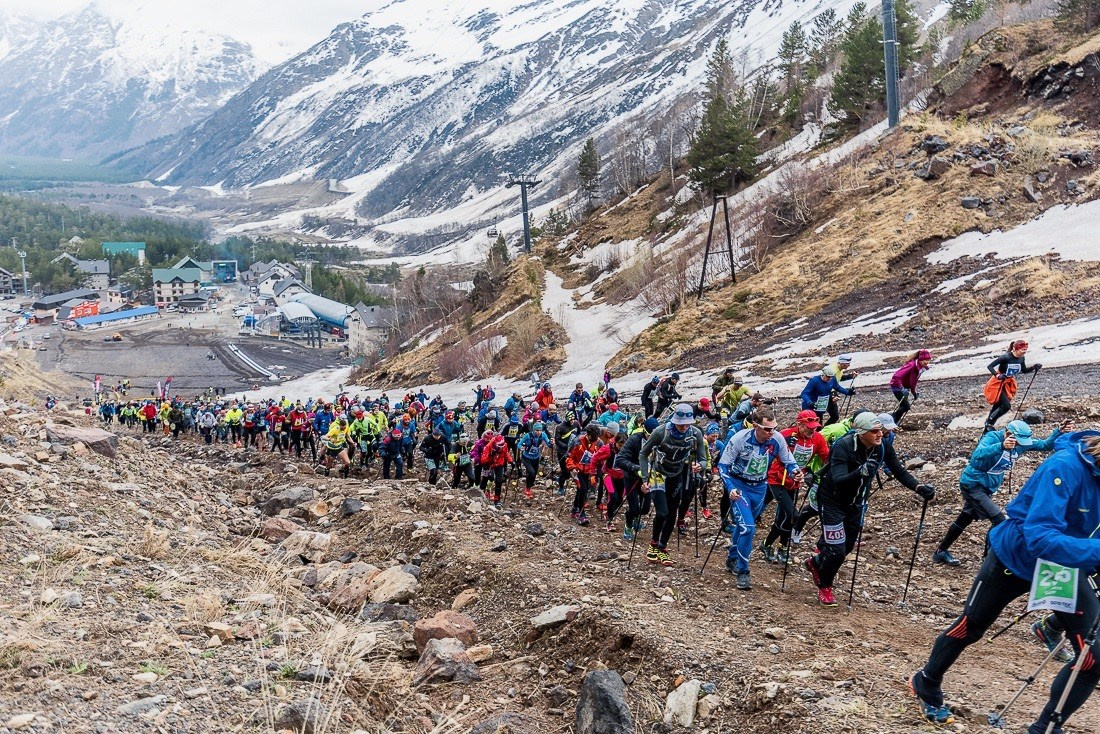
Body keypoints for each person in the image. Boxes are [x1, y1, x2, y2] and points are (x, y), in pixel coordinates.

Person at [910, 431, 1100, 731]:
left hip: (1065, 565)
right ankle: (926, 681)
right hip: (1018, 557)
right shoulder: (1064, 467)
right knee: (970, 627)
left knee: (1093, 657)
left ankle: (1046, 727)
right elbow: (1040, 537)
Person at [804, 412, 934, 607]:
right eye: (874, 431)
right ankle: (825, 585)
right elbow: (838, 479)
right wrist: (861, 471)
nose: (879, 434)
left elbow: (898, 470)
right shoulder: (844, 446)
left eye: (880, 430)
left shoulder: (881, 447)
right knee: (837, 550)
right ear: (861, 432)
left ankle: (816, 562)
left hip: (856, 504)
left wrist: (918, 487)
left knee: (846, 547)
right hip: (832, 502)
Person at [932, 418, 1072, 566]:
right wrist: (1001, 446)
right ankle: (989, 562)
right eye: (1017, 441)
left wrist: (1058, 431)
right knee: (998, 520)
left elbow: (1045, 445)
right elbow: (977, 455)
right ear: (1008, 434)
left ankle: (940, 551)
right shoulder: (992, 438)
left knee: (965, 518)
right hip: (972, 485)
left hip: (986, 488)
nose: (1018, 445)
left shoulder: (1020, 444)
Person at [718, 408, 802, 590]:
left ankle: (732, 558)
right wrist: (730, 488)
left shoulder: (777, 439)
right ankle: (743, 571)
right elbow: (722, 466)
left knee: (743, 527)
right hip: (740, 487)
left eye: (774, 428)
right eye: (767, 429)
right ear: (756, 426)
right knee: (748, 528)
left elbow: (789, 460)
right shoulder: (739, 439)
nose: (771, 433)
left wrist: (796, 472)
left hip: (760, 487)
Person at [639, 404, 706, 567]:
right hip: (658, 473)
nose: (683, 427)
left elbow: (703, 459)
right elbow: (643, 454)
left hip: (677, 474)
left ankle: (662, 548)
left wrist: (700, 467)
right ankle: (653, 544)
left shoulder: (695, 434)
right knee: (662, 512)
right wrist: (645, 478)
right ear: (674, 420)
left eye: (687, 423)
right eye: (680, 423)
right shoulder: (661, 432)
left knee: (672, 513)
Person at [760, 410, 829, 563]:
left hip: (795, 481)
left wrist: (817, 474)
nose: (813, 430)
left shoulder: (818, 438)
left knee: (785, 516)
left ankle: (779, 547)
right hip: (777, 480)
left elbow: (826, 458)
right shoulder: (786, 434)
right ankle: (768, 543)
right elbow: (766, 449)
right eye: (809, 427)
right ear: (799, 424)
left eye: (815, 427)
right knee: (793, 515)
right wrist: (784, 445)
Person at [983, 340, 1042, 433]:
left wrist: (1034, 367)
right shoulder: (1005, 357)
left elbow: (1024, 370)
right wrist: (997, 375)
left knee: (997, 406)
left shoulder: (1021, 358)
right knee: (1006, 406)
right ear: (1016, 349)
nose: (1024, 351)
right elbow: (990, 366)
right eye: (1022, 350)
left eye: (1025, 350)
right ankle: (989, 423)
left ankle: (986, 431)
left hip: (1008, 383)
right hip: (998, 383)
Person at [567, 424, 602, 525]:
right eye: (592, 438)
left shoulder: (599, 443)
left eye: (595, 438)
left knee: (581, 490)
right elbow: (569, 456)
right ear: (587, 434)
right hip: (577, 470)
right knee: (583, 489)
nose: (593, 440)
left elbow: (599, 457)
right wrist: (572, 468)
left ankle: (575, 509)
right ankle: (582, 514)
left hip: (588, 470)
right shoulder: (577, 441)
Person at [889, 350, 932, 426]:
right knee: (906, 406)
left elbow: (913, 381)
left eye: (928, 360)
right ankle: (890, 420)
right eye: (925, 360)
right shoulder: (912, 365)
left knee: (903, 406)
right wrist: (902, 388)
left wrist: (914, 392)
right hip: (897, 386)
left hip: (904, 388)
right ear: (920, 359)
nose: (927, 362)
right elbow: (897, 376)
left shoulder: (920, 368)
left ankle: (894, 423)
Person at [517, 422, 551, 499]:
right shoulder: (528, 436)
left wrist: (551, 443)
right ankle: (527, 488)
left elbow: (549, 444)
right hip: (526, 457)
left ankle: (530, 486)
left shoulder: (543, 435)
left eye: (540, 430)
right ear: (533, 430)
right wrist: (521, 448)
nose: (538, 432)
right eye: (537, 430)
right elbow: (519, 444)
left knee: (534, 474)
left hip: (536, 458)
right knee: (531, 472)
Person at [826, 355, 859, 426]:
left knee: (834, 416)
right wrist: (833, 395)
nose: (848, 366)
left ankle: (823, 431)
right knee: (831, 416)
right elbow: (829, 384)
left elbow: (839, 378)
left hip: (831, 393)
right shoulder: (833, 370)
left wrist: (850, 376)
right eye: (847, 364)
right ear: (841, 363)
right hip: (826, 394)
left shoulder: (839, 369)